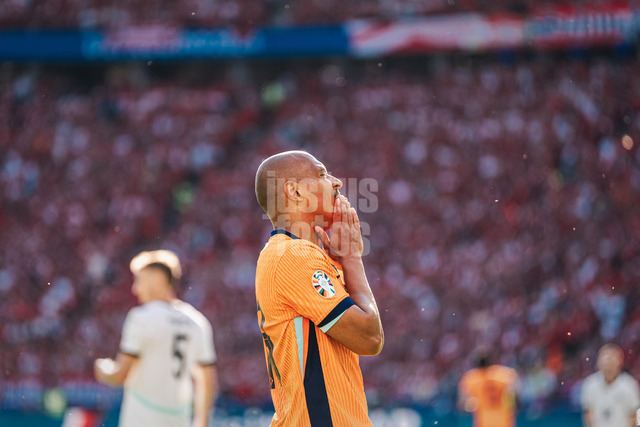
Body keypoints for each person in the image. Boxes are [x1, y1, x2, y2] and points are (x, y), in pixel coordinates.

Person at [254, 150, 384, 426]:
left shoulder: (289, 253)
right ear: (295, 192)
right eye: (322, 174)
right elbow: (370, 338)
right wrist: (352, 259)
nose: (336, 182)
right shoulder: (295, 255)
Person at [94, 250, 218, 427]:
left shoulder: (141, 317)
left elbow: (120, 375)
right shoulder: (197, 321)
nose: (135, 289)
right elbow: (207, 382)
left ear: (158, 279)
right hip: (179, 421)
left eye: (140, 281)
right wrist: (202, 422)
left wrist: (103, 369)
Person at [581, 344, 640, 427]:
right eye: (604, 357)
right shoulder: (590, 384)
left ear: (620, 361)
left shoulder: (630, 385)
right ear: (598, 362)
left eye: (612, 357)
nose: (608, 360)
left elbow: (635, 414)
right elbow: (588, 414)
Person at [458, 349, 519, 427]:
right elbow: (514, 397)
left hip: (484, 421)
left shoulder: (472, 378)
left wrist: (473, 404)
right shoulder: (505, 375)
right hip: (504, 421)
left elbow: (463, 404)